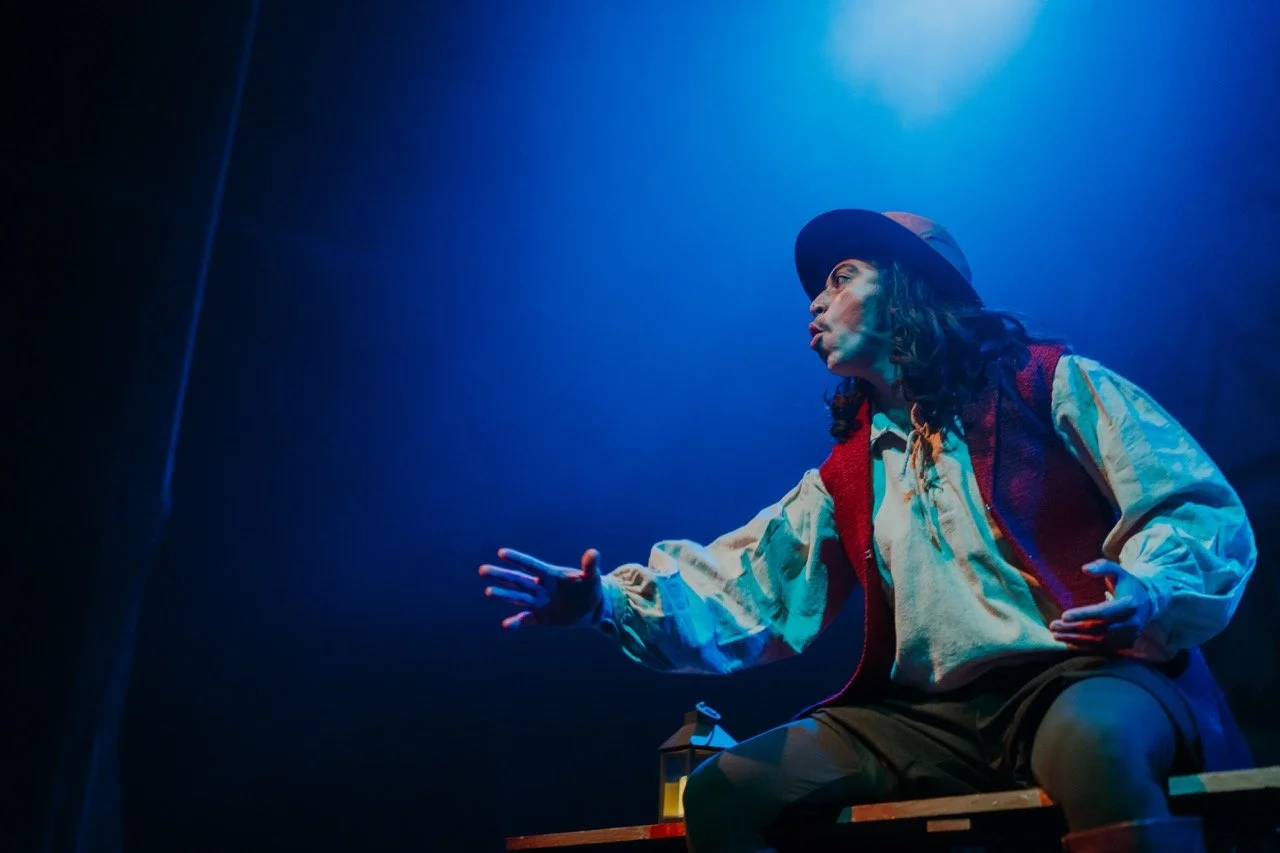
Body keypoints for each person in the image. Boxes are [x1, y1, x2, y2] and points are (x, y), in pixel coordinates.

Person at [478, 210, 1257, 853]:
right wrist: (606, 602)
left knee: (1095, 748)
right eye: (818, 288)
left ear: (912, 286)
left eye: (842, 277)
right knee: (728, 793)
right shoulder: (848, 473)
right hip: (923, 720)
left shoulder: (1046, 382)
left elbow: (1185, 499)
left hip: (1081, 675)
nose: (815, 303)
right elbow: (745, 586)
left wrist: (1153, 587)